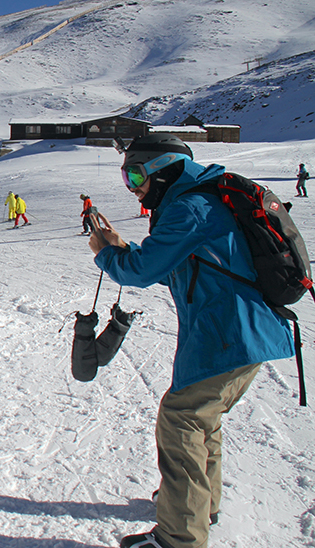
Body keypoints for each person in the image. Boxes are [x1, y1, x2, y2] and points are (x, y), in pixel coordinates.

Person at [89, 134, 294, 548]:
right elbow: (176, 267)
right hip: (238, 332)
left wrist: (106, 254)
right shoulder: (198, 201)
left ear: (163, 169)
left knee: (181, 419)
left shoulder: (190, 207)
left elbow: (143, 272)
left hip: (227, 332)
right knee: (201, 419)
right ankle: (200, 505)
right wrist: (124, 247)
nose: (134, 187)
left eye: (136, 175)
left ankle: (179, 537)